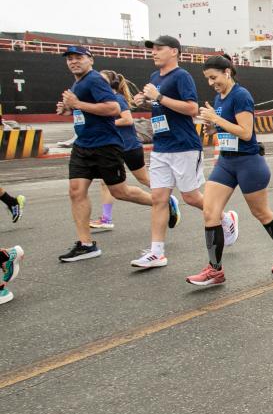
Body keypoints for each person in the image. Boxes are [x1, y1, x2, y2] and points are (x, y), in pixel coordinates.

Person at [186, 55, 273, 286]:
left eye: (213, 77)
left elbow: (245, 133)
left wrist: (216, 119)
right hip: (226, 163)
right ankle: (215, 270)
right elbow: (226, 129)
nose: (211, 83)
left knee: (261, 213)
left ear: (227, 72)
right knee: (210, 212)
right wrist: (212, 127)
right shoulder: (219, 97)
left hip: (248, 163)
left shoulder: (241, 95)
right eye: (207, 79)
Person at [131, 36, 238, 269]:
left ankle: (225, 217)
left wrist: (158, 97)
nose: (154, 52)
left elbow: (191, 108)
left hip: (184, 146)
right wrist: (146, 102)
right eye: (152, 49)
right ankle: (156, 252)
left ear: (174, 52)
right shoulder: (155, 77)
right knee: (158, 198)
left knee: (190, 197)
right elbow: (161, 106)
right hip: (161, 146)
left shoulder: (182, 76)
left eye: (159, 49)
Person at [55, 46, 153, 262]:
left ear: (90, 60)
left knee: (120, 192)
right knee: (76, 191)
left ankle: (162, 203)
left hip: (105, 146)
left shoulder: (94, 80)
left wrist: (76, 103)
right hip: (83, 145)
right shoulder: (78, 83)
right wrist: (69, 110)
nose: (73, 61)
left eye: (78, 57)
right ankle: (86, 245)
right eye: (70, 59)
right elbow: (87, 111)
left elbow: (112, 109)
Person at [89, 70, 150, 230]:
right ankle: (106, 219)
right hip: (114, 148)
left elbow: (128, 120)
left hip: (129, 147)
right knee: (106, 182)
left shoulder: (117, 99)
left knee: (144, 179)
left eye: (101, 80)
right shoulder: (105, 100)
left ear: (111, 83)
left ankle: (165, 199)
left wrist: (106, 124)